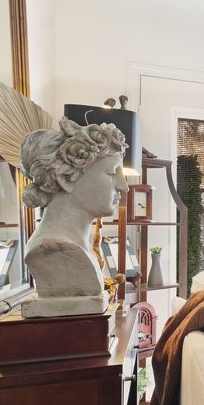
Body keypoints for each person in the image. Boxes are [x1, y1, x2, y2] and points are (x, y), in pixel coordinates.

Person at [19, 118, 129, 316]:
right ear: (66, 178)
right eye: (112, 173)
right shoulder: (49, 251)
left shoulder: (81, 248)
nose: (124, 186)